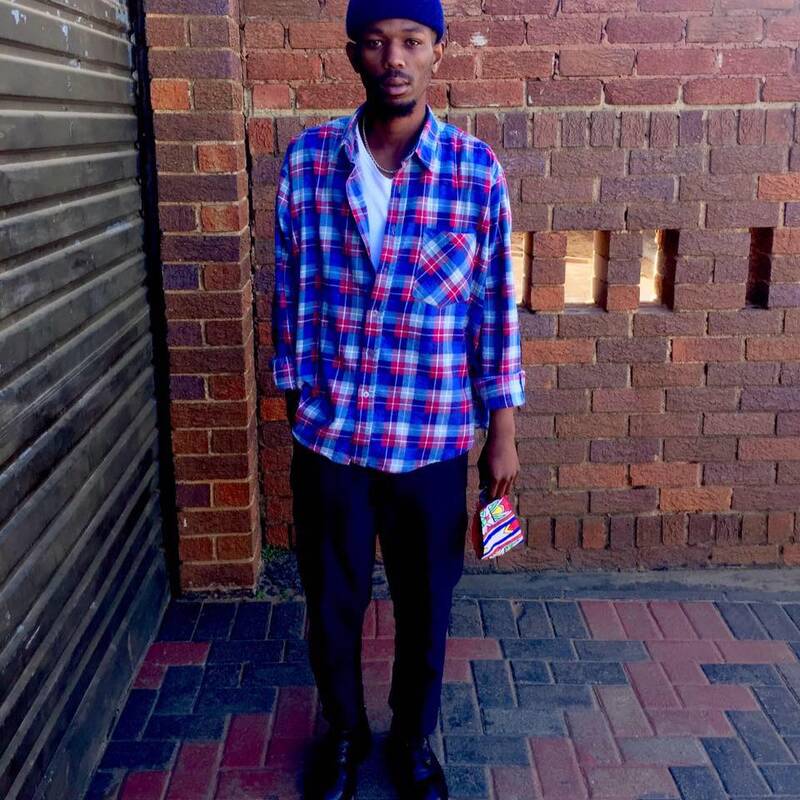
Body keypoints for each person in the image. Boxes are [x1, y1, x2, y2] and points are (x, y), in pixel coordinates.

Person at [271, 1, 526, 797]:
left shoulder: (473, 171)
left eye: (412, 42)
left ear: (437, 53)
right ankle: (346, 734)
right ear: (355, 54)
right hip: (333, 438)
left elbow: (494, 307)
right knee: (332, 605)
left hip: (432, 436)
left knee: (426, 608)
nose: (395, 58)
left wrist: (502, 432)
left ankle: (413, 739)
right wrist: (296, 400)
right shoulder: (310, 162)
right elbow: (290, 290)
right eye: (377, 43)